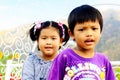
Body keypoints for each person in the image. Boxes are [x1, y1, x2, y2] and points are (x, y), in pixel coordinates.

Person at [48, 4, 116, 80]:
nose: (89, 34)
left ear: (100, 32)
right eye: (82, 29)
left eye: (94, 28)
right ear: (71, 34)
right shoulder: (65, 56)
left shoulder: (103, 60)